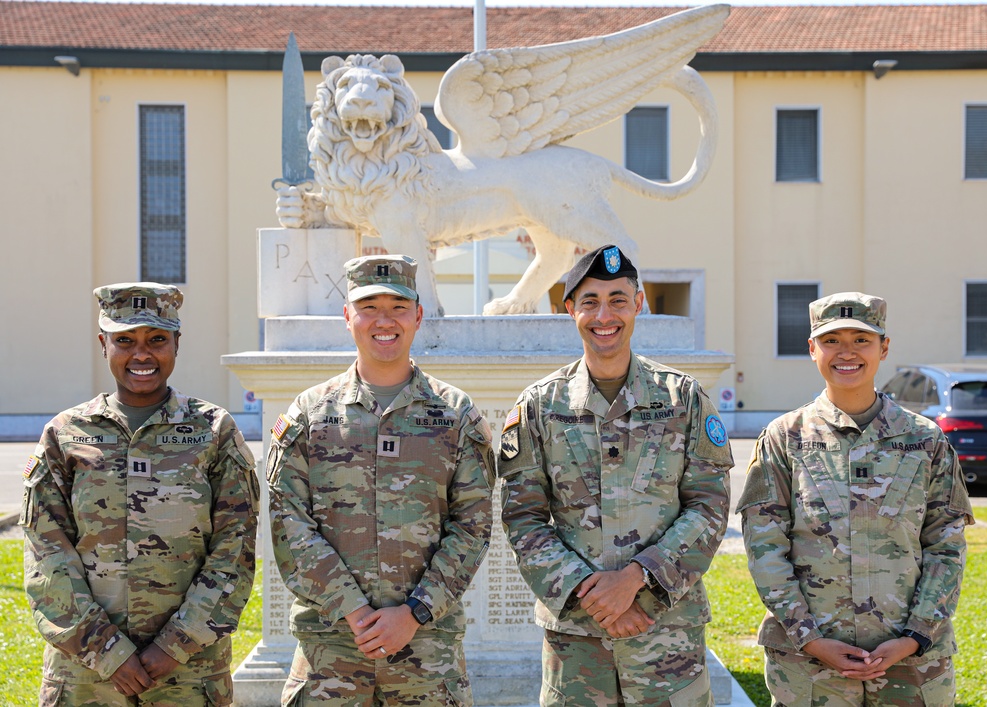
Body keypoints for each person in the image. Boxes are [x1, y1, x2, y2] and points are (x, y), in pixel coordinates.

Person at [498, 244, 733, 706]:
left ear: (638, 303)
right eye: (590, 301)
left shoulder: (682, 399)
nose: (604, 315)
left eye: (618, 300)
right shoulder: (540, 407)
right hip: (577, 650)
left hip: (666, 640)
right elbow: (523, 519)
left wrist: (637, 581)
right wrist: (594, 596)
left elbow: (709, 506)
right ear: (569, 310)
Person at [268, 254, 495, 706]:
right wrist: (353, 609)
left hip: (427, 656)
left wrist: (413, 613)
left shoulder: (455, 416)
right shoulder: (310, 415)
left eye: (397, 306)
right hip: (330, 653)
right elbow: (288, 524)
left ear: (418, 316)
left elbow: (473, 526)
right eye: (369, 306)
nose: (384, 320)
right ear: (347, 316)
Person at [20, 282, 260, 705]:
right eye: (125, 340)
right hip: (86, 677)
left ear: (176, 344)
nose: (142, 354)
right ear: (103, 344)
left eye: (157, 340)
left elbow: (234, 548)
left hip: (189, 673)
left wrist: (175, 646)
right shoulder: (64, 434)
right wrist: (106, 652)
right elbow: (46, 553)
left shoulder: (213, 431)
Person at [737, 292, 975, 706]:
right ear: (812, 349)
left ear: (884, 347)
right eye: (832, 341)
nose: (846, 352)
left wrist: (915, 636)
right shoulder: (784, 438)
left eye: (861, 340)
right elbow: (765, 548)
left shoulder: (925, 440)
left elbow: (946, 546)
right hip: (810, 667)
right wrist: (809, 639)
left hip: (911, 665)